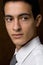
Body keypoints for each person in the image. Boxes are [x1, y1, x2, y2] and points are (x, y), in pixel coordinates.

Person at [3, 0, 43, 65]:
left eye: (24, 18)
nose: (16, 27)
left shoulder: (39, 61)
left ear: (37, 20)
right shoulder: (18, 56)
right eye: (9, 19)